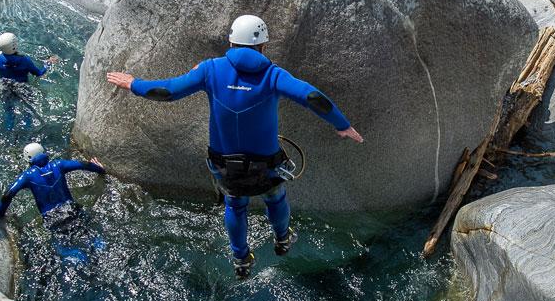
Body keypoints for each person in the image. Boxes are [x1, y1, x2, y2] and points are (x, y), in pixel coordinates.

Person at [106, 15, 364, 278]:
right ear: (263, 46)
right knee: (275, 198)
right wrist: (342, 125)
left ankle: (241, 259)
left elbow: (167, 91)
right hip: (266, 165)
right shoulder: (273, 75)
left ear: (231, 42)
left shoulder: (210, 69)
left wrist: (133, 83)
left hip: (225, 164)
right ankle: (283, 239)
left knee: (235, 205)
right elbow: (312, 96)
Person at [0, 143, 107, 269]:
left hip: (52, 218)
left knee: (62, 247)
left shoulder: (27, 176)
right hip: (71, 209)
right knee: (88, 233)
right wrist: (100, 169)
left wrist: (0, 214)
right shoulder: (58, 164)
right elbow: (83, 165)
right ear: (44, 153)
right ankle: (100, 247)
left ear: (28, 159)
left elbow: (8, 195)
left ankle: (78, 257)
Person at [0, 32, 57, 130]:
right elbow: (38, 73)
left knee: (9, 113)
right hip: (23, 89)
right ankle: (27, 131)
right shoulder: (25, 60)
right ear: (14, 46)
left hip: (5, 88)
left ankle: (9, 131)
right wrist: (48, 64)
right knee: (28, 112)